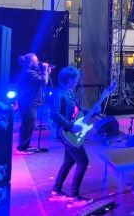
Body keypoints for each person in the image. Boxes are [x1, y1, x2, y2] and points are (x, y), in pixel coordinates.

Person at [49, 66, 93, 207]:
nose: (77, 82)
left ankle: (56, 192)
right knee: (83, 162)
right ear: (69, 79)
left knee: (69, 162)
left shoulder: (70, 93)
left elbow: (78, 110)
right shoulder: (59, 93)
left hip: (69, 132)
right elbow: (55, 114)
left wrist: (93, 111)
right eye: (76, 79)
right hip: (66, 134)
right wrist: (71, 126)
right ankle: (74, 197)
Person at [16, 53, 51, 154]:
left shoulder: (30, 72)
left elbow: (44, 80)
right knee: (28, 125)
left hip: (29, 103)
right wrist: (45, 70)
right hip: (28, 103)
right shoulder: (29, 72)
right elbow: (43, 81)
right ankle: (22, 147)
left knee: (29, 125)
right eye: (36, 60)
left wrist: (46, 71)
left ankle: (25, 145)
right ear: (31, 62)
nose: (38, 62)